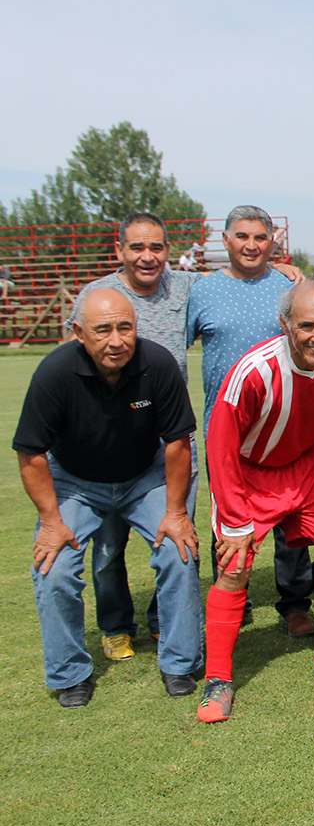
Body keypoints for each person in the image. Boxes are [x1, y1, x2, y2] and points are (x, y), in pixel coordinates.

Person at [68, 214, 302, 657]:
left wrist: (289, 270)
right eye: (137, 247)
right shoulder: (124, 294)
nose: (147, 256)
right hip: (141, 430)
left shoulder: (192, 286)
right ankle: (121, 622)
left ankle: (175, 618)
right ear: (119, 250)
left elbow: (261, 285)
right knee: (116, 543)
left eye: (156, 247)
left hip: (218, 429)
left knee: (196, 532)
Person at [14, 288, 202, 706]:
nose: (116, 340)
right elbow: (31, 453)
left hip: (144, 476)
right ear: (79, 332)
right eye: (103, 330)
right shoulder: (54, 372)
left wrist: (175, 512)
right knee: (54, 567)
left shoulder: (157, 363)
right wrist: (50, 522)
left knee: (179, 551)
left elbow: (177, 443)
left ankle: (181, 663)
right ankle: (69, 675)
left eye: (125, 327)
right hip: (76, 482)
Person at [197, 281, 314, 722]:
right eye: (307, 325)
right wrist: (235, 521)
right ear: (285, 324)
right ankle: (217, 680)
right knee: (234, 568)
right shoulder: (253, 371)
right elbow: (220, 445)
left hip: (306, 468)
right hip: (248, 473)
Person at [188, 206, 314, 638]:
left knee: (290, 522)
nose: (251, 245)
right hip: (224, 429)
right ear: (225, 240)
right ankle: (233, 602)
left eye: (260, 237)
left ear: (272, 243)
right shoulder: (202, 291)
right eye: (242, 236)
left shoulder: (287, 285)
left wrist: (290, 270)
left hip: (284, 426)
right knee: (226, 518)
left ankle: (295, 603)